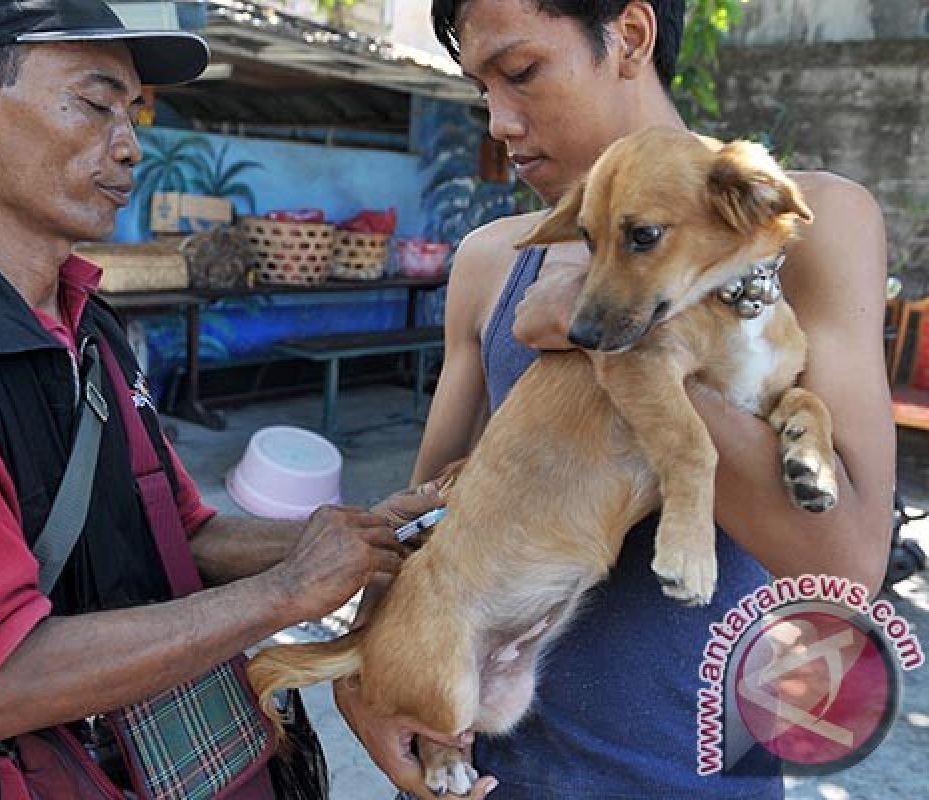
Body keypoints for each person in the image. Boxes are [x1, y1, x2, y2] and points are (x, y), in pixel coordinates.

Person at [0, 1, 446, 797]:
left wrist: (354, 538)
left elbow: (179, 530)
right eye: (93, 103)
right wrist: (284, 594)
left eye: (132, 111)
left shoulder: (86, 321)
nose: (129, 144)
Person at [334, 1, 895, 798]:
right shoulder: (493, 259)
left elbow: (844, 565)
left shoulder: (804, 223)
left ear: (629, 36)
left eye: (521, 73)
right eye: (481, 89)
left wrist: (606, 326)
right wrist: (366, 667)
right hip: (492, 768)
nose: (498, 120)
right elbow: (424, 516)